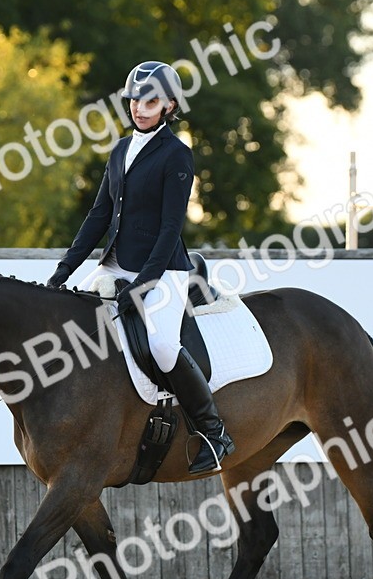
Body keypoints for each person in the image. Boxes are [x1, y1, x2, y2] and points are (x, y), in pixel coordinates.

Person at [46, 60, 234, 474]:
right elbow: (98, 216)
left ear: (169, 105)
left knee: (163, 346)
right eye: (134, 100)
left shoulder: (176, 155)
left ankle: (213, 431)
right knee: (81, 326)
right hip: (115, 265)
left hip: (164, 271)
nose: (139, 108)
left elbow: (171, 228)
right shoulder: (119, 150)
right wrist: (62, 272)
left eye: (150, 101)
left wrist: (145, 284)